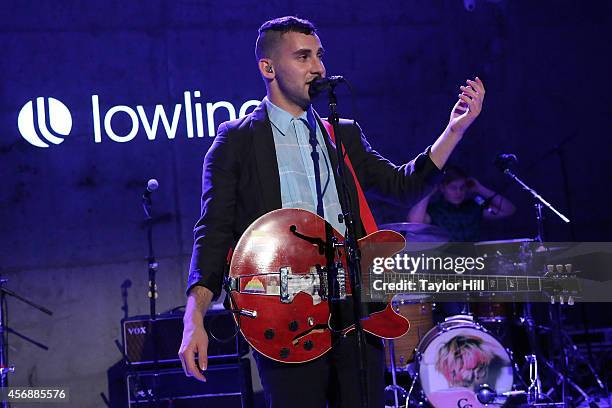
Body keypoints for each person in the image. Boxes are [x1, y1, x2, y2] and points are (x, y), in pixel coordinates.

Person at [179, 16, 485, 407]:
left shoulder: (341, 133)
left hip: (354, 312)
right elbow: (214, 232)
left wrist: (454, 130)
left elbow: (402, 186)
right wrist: (195, 318)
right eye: (303, 56)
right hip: (284, 318)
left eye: (319, 56)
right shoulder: (236, 141)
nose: (318, 68)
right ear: (268, 68)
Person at [407, 165, 515, 242]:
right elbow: (414, 222)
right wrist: (428, 193)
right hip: (445, 264)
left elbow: (508, 210)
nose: (458, 192)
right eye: (453, 188)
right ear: (442, 188)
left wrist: (480, 189)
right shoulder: (434, 209)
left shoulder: (474, 206)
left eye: (462, 187)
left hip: (473, 263)